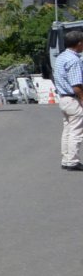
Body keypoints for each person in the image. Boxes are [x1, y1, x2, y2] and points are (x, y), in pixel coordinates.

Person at [55, 30, 83, 171]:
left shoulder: (61, 57)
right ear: (79, 44)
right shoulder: (74, 60)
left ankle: (66, 159)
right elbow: (76, 85)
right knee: (76, 132)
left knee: (67, 130)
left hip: (63, 98)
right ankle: (73, 161)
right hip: (73, 99)